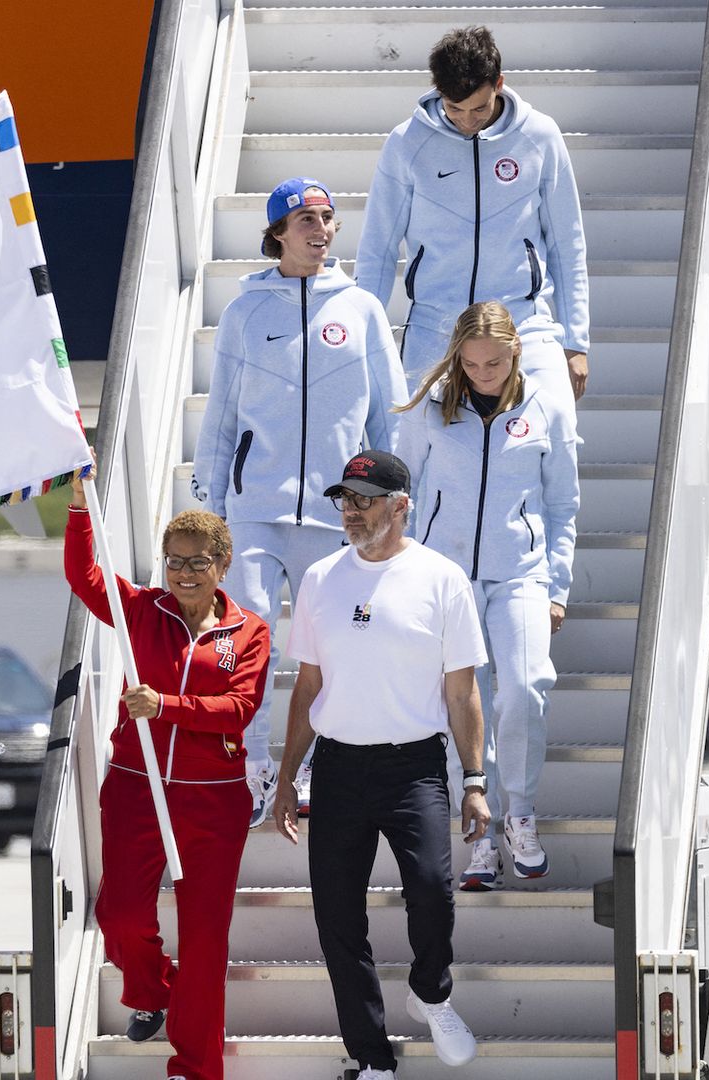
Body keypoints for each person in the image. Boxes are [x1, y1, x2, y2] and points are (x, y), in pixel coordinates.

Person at [192, 177, 407, 827]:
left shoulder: (361, 309)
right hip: (255, 506)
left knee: (329, 648)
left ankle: (311, 766)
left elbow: (387, 416)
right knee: (251, 643)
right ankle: (252, 766)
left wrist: (397, 498)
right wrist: (210, 502)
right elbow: (223, 413)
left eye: (328, 218)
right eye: (306, 219)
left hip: (337, 514)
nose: (321, 229)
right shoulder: (244, 311)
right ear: (278, 232)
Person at [272, 450, 491, 1080]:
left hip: (415, 768)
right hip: (338, 769)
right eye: (345, 498)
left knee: (431, 893)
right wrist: (286, 779)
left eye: (366, 499)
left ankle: (432, 992)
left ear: (401, 505)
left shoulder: (442, 578)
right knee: (338, 917)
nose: (351, 511)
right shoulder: (319, 579)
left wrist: (473, 781)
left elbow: (462, 691)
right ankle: (371, 1058)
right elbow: (307, 687)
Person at [63, 468, 271, 1080]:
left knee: (205, 942)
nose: (183, 573)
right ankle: (152, 989)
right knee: (121, 916)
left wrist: (167, 706)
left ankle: (195, 1067)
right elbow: (85, 577)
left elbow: (240, 710)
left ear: (223, 564)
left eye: (197, 562)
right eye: (174, 561)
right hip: (135, 785)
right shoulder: (140, 610)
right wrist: (79, 507)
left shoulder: (249, 632)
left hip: (213, 800)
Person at [395, 301, 579, 890]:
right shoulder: (431, 408)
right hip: (444, 581)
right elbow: (405, 491)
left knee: (524, 690)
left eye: (493, 363)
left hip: (522, 576)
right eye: (471, 365)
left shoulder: (545, 405)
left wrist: (558, 585)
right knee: (462, 703)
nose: (482, 374)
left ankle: (519, 814)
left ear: (516, 352)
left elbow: (562, 503)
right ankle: (476, 832)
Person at [356, 25, 591, 404]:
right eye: (455, 109)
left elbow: (568, 242)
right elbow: (377, 247)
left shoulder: (540, 137)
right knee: (419, 449)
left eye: (479, 107)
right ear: (437, 92)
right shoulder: (407, 143)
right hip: (435, 326)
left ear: (499, 83)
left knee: (551, 431)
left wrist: (576, 341)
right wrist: (361, 334)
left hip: (522, 323)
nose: (467, 120)